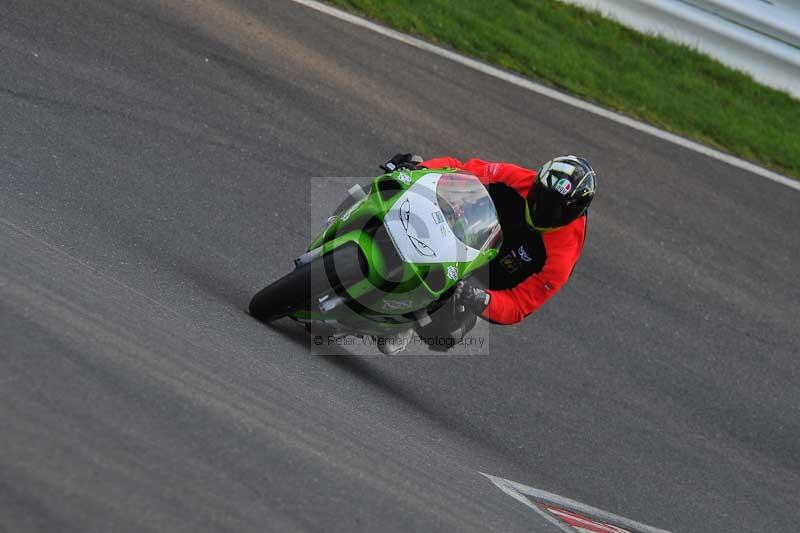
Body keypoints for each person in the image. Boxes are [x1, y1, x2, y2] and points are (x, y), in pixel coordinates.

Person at [381, 153, 596, 341]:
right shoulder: (517, 178)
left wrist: (478, 298)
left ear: (573, 213)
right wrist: (419, 169)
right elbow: (459, 169)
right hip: (469, 232)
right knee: (404, 194)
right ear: (536, 183)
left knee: (446, 331)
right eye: (541, 197)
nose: (542, 209)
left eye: (555, 209)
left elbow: (519, 305)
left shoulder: (561, 258)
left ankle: (405, 325)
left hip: (496, 275)